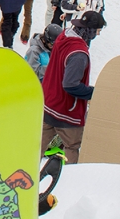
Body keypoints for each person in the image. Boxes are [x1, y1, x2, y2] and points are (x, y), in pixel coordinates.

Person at [41, 11, 106, 163]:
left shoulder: (64, 37)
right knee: (72, 147)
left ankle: (25, 177)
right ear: (89, 30)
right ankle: (70, 181)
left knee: (37, 146)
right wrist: (94, 93)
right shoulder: (78, 53)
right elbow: (70, 85)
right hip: (66, 111)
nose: (97, 34)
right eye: (97, 30)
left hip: (49, 103)